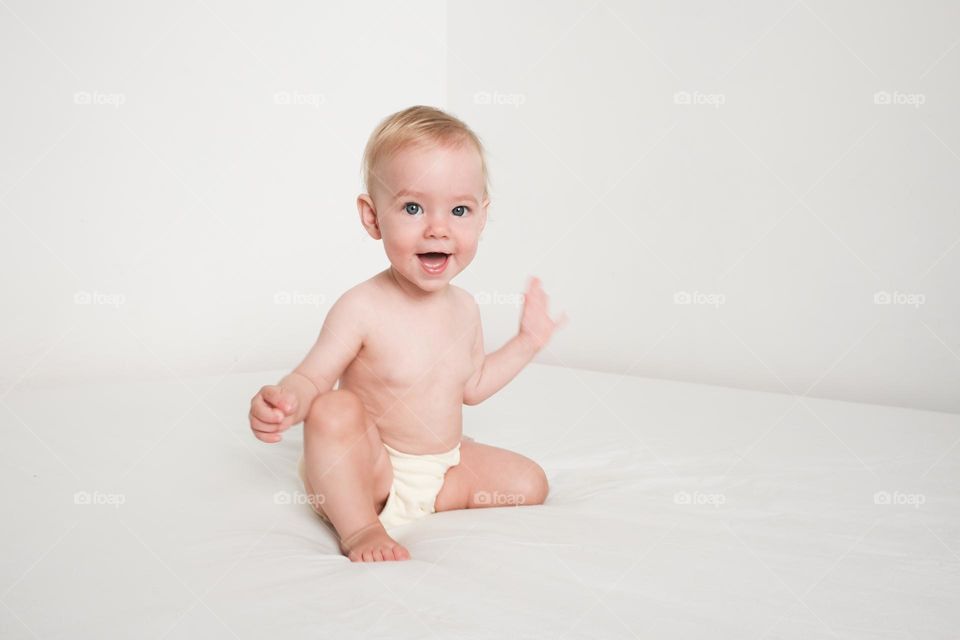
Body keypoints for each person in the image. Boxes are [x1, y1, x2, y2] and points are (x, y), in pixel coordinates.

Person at [249, 105, 567, 562]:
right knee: (334, 408)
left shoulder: (465, 308)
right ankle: (359, 527)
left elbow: (472, 387)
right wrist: (286, 400)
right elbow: (314, 378)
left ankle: (431, 499)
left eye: (459, 209)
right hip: (369, 470)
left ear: (481, 218)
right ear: (373, 217)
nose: (438, 228)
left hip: (438, 471)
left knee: (529, 482)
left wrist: (527, 343)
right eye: (413, 207)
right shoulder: (362, 307)